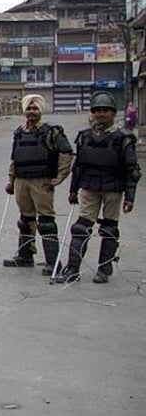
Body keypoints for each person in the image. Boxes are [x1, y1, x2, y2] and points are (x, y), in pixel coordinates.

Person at [54, 91, 140, 284]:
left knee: (109, 229)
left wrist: (130, 197)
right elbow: (78, 166)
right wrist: (73, 190)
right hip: (89, 186)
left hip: (113, 188)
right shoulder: (84, 137)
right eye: (98, 111)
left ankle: (104, 268)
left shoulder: (123, 138)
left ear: (113, 113)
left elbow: (132, 169)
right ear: (92, 113)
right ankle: (72, 269)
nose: (101, 114)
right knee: (80, 228)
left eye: (105, 111)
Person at [2, 94, 73, 274]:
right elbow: (15, 159)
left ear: (41, 111)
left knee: (46, 221)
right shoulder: (19, 132)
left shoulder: (52, 131)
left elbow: (66, 153)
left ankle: (53, 263)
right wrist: (11, 180)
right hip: (22, 181)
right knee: (25, 220)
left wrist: (59, 178)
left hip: (42, 181)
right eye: (29, 108)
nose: (31, 112)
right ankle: (25, 256)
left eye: (35, 108)